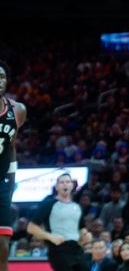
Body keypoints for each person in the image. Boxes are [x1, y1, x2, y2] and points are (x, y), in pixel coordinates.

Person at [27, 173, 88, 271]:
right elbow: (31, 227)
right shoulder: (48, 204)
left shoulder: (77, 207)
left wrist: (85, 235)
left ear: (72, 186)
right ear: (56, 187)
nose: (65, 184)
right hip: (58, 249)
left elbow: (82, 228)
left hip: (77, 248)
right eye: (62, 182)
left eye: (68, 182)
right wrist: (50, 236)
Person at [0, 61, 26, 271]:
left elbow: (12, 146)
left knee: (3, 246)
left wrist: (12, 179)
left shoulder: (18, 110)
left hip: (1, 183)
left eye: (2, 77)